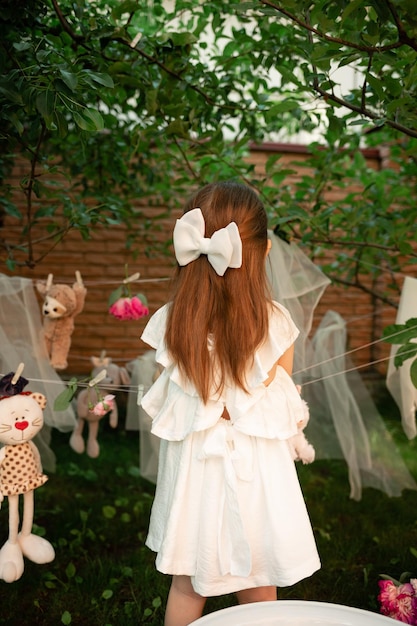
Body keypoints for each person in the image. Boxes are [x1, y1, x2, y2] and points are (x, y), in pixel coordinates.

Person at [140, 181, 321, 626]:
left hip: (194, 474)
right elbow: (284, 394)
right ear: (260, 253)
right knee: (259, 580)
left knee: (187, 582)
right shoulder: (275, 322)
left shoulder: (169, 324)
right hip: (257, 474)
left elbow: (171, 397)